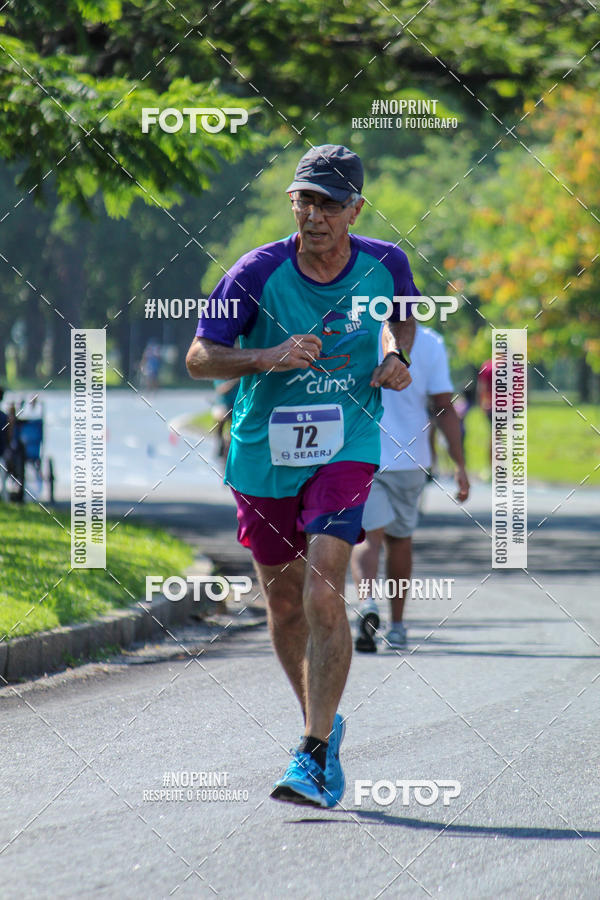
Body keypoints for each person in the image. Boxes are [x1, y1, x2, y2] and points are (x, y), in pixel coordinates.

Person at [186, 144, 417, 809]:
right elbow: (201, 358)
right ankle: (319, 723)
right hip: (263, 452)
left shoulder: (386, 263)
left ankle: (313, 753)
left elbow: (403, 317)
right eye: (303, 201)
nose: (313, 217)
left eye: (327, 204)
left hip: (347, 441)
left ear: (354, 210)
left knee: (322, 592)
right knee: (284, 602)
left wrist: (395, 355)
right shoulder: (257, 272)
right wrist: (270, 356)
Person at [351, 324, 470, 652]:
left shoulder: (364, 334)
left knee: (368, 536)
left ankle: (367, 603)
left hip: (363, 453)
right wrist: (459, 466)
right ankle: (399, 626)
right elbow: (444, 408)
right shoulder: (431, 343)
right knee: (400, 541)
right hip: (412, 459)